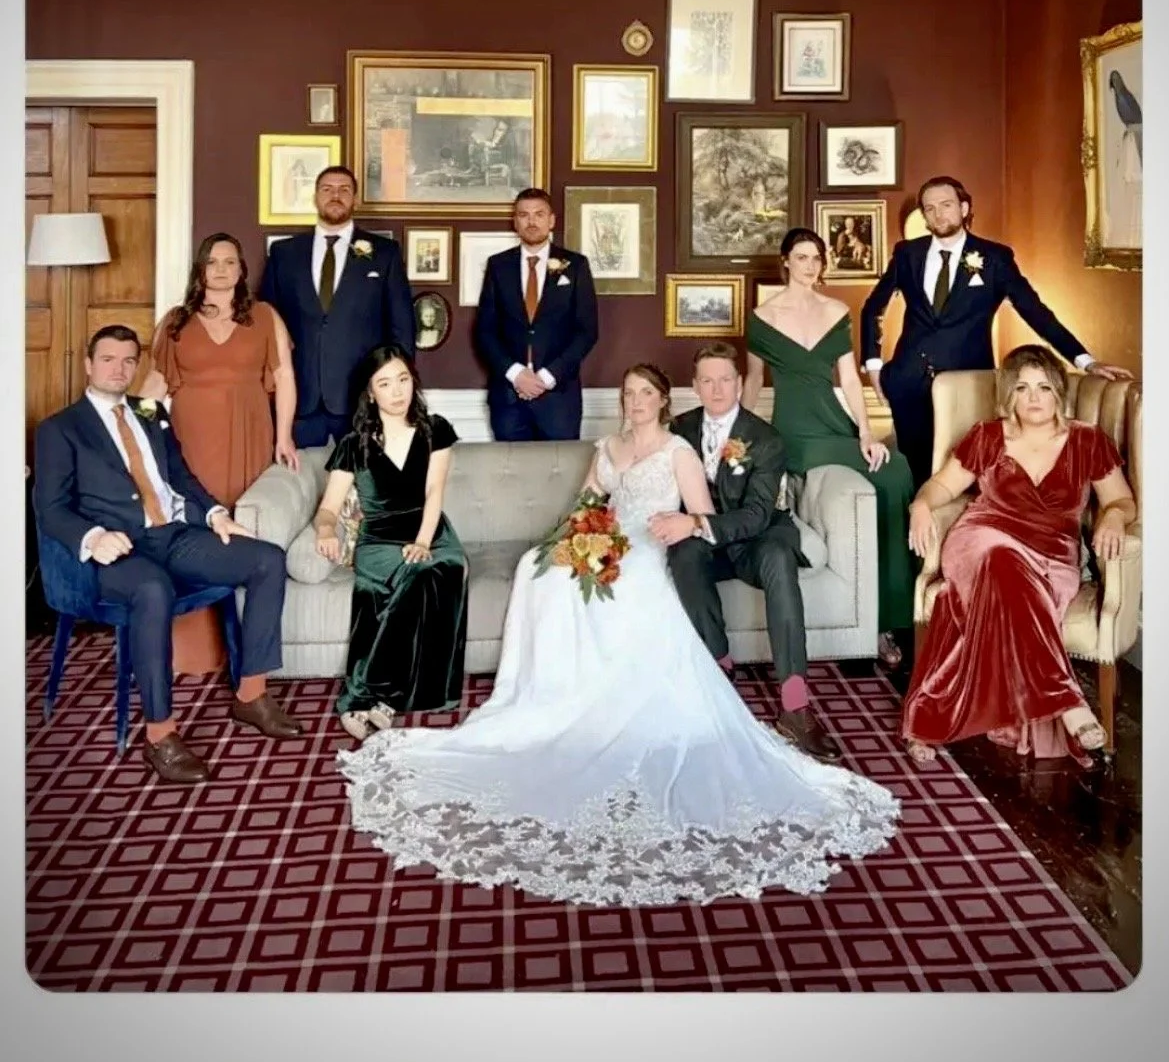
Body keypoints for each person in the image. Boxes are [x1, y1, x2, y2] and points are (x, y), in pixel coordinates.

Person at [336, 362, 899, 906]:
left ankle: (613, 699)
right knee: (539, 570)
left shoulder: (678, 451)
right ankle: (554, 693)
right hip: (606, 536)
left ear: (663, 401)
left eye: (645, 393)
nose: (635, 402)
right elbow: (587, 500)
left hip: (652, 543)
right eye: (628, 393)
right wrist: (576, 533)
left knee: (626, 582)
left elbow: (699, 513)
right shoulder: (607, 447)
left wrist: (673, 531)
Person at [33, 325, 301, 785]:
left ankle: (251, 695)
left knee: (267, 559)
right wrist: (94, 537)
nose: (118, 369)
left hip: (173, 536)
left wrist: (215, 514)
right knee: (153, 589)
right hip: (117, 550)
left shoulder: (150, 412)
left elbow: (180, 475)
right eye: (108, 359)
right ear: (88, 365)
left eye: (128, 361)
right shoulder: (60, 428)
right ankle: (160, 736)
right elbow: (50, 507)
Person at [901, 345, 1135, 769]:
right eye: (1023, 388)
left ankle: (932, 719)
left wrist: (1115, 518)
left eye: (1044, 387)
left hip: (1052, 558)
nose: (1033, 398)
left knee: (1007, 583)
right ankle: (1068, 702)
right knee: (1000, 559)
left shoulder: (1087, 440)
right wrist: (921, 504)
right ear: (1009, 394)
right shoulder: (988, 436)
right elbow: (943, 487)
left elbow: (1120, 500)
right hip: (981, 540)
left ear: (1059, 392)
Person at [860, 175, 1132, 491]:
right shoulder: (908, 253)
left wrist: (1085, 361)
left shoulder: (995, 258)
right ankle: (917, 524)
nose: (938, 215)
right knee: (916, 475)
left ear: (964, 208)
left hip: (969, 384)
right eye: (929, 209)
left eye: (946, 205)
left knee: (967, 473)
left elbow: (1036, 313)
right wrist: (874, 366)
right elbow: (873, 308)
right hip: (908, 383)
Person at [744, 228, 916, 669]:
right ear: (786, 261)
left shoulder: (837, 310)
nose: (810, 265)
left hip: (834, 425)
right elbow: (753, 381)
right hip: (793, 433)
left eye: (816, 258)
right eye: (801, 257)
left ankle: (889, 618)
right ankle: (878, 626)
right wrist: (739, 435)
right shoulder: (762, 316)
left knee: (894, 470)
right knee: (884, 472)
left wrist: (865, 433)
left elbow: (849, 379)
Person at [662, 343, 839, 758]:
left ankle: (795, 704)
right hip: (706, 544)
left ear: (740, 384)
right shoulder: (679, 429)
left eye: (725, 379)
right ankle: (720, 667)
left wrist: (697, 523)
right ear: (695, 386)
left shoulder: (765, 438)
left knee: (779, 558)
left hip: (757, 539)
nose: (717, 389)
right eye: (707, 381)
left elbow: (758, 514)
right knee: (683, 554)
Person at [139, 232, 298, 674]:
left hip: (250, 435)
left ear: (242, 269)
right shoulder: (175, 322)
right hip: (192, 439)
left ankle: (245, 653)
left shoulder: (264, 316)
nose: (222, 269)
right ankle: (193, 652)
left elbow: (285, 377)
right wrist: (132, 433)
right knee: (197, 528)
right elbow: (155, 384)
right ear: (200, 270)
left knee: (246, 528)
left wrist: (284, 435)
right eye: (213, 262)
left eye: (230, 261)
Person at [314, 347, 468, 741]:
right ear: (370, 393)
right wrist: (326, 531)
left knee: (442, 568)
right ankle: (379, 696)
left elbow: (434, 492)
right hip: (379, 539)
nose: (397, 391)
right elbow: (328, 508)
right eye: (384, 384)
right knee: (417, 574)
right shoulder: (353, 445)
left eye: (403, 379)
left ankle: (371, 695)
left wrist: (422, 541)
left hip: (431, 532)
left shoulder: (435, 430)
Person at [259, 165, 415, 447]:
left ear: (355, 199)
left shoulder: (384, 253)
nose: (335, 195)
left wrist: (396, 390)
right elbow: (265, 324)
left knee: (364, 474)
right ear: (315, 198)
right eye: (327, 189)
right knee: (299, 474)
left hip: (362, 397)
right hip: (299, 397)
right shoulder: (284, 253)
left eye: (344, 190)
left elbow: (401, 327)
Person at [474, 188, 599, 441]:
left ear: (551, 220)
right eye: (524, 215)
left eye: (539, 214)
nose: (531, 221)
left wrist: (546, 377)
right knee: (510, 466)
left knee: (561, 466)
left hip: (559, 399)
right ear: (515, 222)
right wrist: (516, 374)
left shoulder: (576, 266)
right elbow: (485, 331)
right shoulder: (498, 266)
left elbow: (587, 331)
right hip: (508, 399)